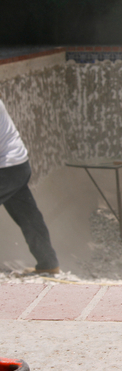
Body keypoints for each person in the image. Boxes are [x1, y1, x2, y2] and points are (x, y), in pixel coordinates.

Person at [0, 99, 60, 274]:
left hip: (5, 169)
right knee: (28, 216)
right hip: (19, 166)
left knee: (28, 216)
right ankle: (48, 263)